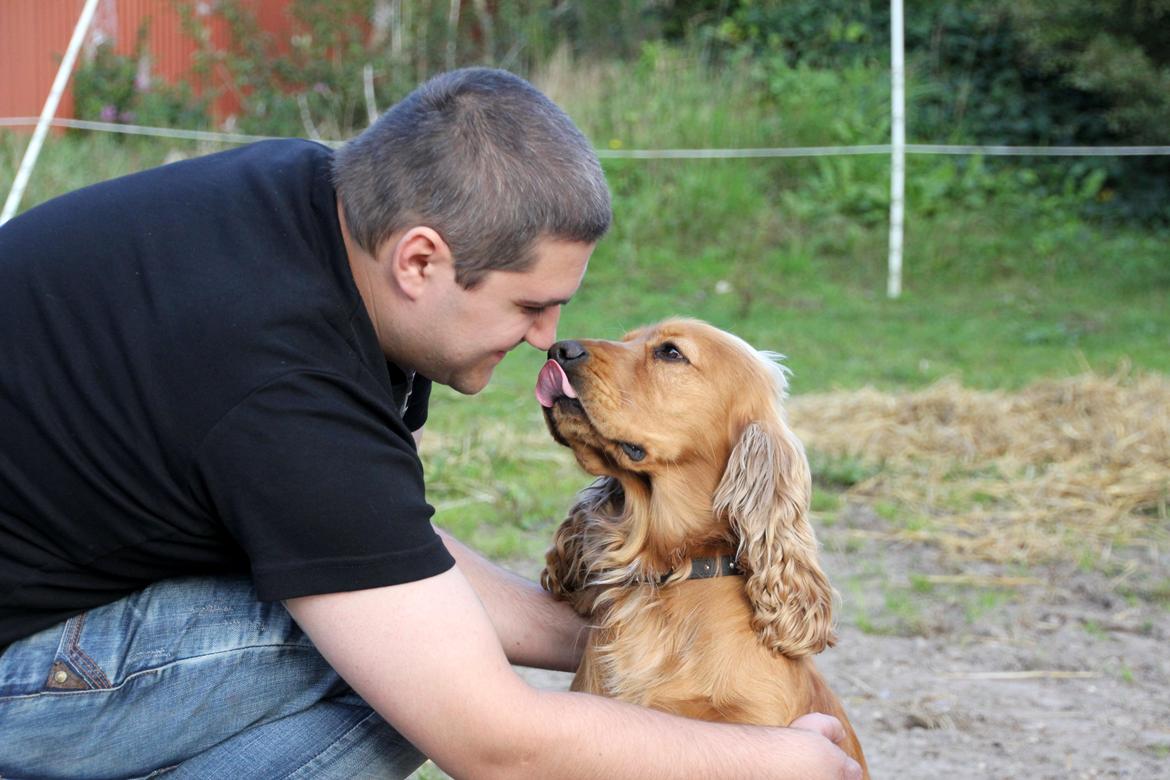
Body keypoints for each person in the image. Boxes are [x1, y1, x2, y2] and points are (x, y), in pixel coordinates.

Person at [0, 67, 862, 779]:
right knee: (407, 669)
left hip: (58, 603)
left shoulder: (308, 206)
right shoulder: (282, 376)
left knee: (396, 631)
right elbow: (489, 741)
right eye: (530, 305)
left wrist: (652, 622)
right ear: (420, 259)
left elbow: (371, 545)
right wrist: (770, 760)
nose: (547, 342)